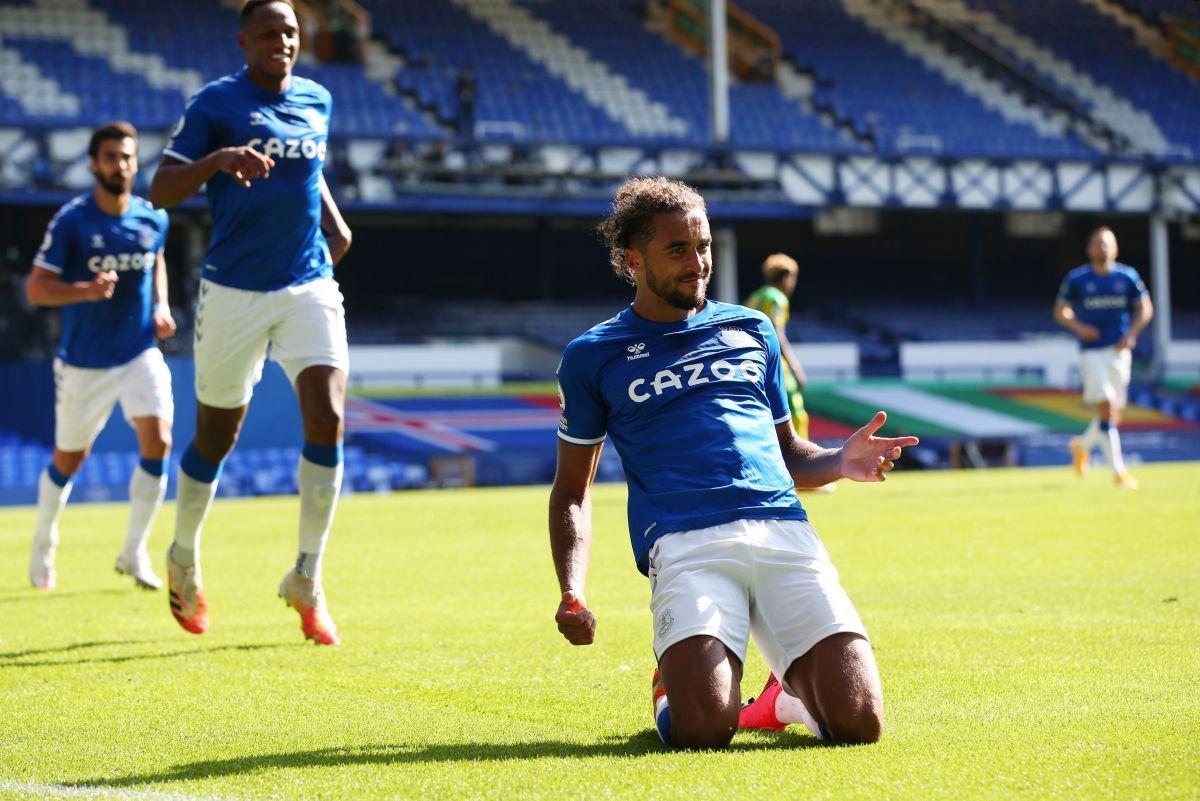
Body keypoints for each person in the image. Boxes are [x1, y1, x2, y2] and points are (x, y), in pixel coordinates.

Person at [549, 177, 918, 748]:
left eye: (704, 246)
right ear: (632, 260)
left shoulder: (751, 328)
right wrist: (572, 589)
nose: (697, 263)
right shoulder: (592, 355)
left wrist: (840, 461)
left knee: (859, 723)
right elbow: (573, 489)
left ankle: (785, 698)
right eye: (677, 250)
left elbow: (790, 455)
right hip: (686, 544)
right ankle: (673, 683)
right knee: (703, 730)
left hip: (784, 532)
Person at [149, 0, 353, 645]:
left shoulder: (317, 98)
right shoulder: (215, 103)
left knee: (328, 419)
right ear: (244, 41)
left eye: (290, 31)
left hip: (308, 284)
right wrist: (216, 161)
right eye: (268, 32)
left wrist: (333, 221)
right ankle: (182, 556)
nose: (281, 40)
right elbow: (158, 189)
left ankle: (307, 577)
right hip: (232, 292)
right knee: (216, 436)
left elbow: (307, 169)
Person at [27, 121, 176, 591]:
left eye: (127, 157)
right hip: (83, 363)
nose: (120, 165)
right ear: (94, 164)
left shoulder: (153, 218)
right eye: (111, 157)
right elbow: (36, 289)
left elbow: (158, 261)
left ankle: (134, 552)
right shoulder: (73, 220)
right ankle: (44, 541)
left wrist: (161, 306)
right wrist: (86, 291)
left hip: (138, 352)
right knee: (70, 459)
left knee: (160, 440)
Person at [1054, 226, 1153, 489]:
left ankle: (1081, 445)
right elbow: (1060, 310)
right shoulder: (1077, 279)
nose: (1103, 247)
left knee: (1113, 415)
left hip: (1119, 351)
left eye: (1107, 243)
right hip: (1092, 352)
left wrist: (1132, 333)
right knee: (1108, 406)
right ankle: (1119, 474)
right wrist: (1079, 327)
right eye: (1098, 243)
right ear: (1089, 249)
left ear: (1116, 248)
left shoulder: (1127, 277)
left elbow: (1145, 307)